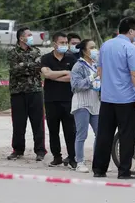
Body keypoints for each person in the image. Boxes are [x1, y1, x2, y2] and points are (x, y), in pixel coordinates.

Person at [92, 17, 135, 179]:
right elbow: (134, 74)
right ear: (130, 31)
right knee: (126, 136)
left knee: (104, 135)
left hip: (107, 99)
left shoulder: (106, 45)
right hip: (126, 100)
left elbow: (99, 70)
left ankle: (99, 170)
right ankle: (124, 171)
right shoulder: (131, 48)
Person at [7, 27, 47, 161]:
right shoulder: (12, 52)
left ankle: (40, 150)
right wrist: (29, 65)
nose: (31, 37)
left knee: (38, 123)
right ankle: (18, 149)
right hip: (18, 92)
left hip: (35, 91)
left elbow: (38, 68)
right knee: (18, 123)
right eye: (28, 35)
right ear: (21, 38)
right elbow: (14, 70)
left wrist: (24, 65)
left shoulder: (36, 51)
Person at [40, 32, 78, 168]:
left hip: (68, 99)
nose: (64, 45)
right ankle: (57, 157)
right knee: (53, 130)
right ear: (54, 44)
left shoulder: (71, 58)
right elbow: (46, 74)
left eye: (66, 43)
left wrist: (54, 76)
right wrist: (65, 72)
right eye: (61, 43)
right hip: (51, 100)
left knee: (70, 131)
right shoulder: (45, 58)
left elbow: (73, 77)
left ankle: (73, 157)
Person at [70, 39, 100, 173]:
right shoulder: (78, 66)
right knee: (82, 134)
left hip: (95, 103)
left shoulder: (96, 65)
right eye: (91, 48)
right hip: (82, 103)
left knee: (100, 134)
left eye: (95, 47)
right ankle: (79, 162)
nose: (95, 50)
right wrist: (93, 77)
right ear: (84, 51)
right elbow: (76, 86)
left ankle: (97, 160)